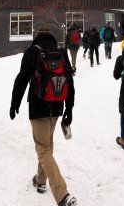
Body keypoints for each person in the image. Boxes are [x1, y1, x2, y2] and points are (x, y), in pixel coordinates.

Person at [10, 25, 77, 206]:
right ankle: (40, 181)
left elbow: (22, 78)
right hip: (56, 107)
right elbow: (69, 83)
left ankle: (62, 194)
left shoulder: (32, 52)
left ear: (37, 37)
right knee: (47, 144)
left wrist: (14, 103)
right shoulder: (61, 52)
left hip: (38, 108)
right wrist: (69, 109)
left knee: (43, 148)